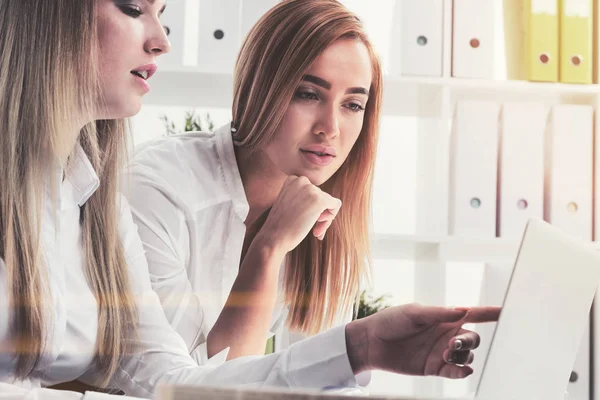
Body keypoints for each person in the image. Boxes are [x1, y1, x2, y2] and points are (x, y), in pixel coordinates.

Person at [0, 0, 500, 399]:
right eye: (133, 9)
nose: (162, 41)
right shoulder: (155, 188)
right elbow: (200, 376)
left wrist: (360, 347)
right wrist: (267, 250)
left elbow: (172, 383)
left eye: (353, 104)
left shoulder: (90, 194)